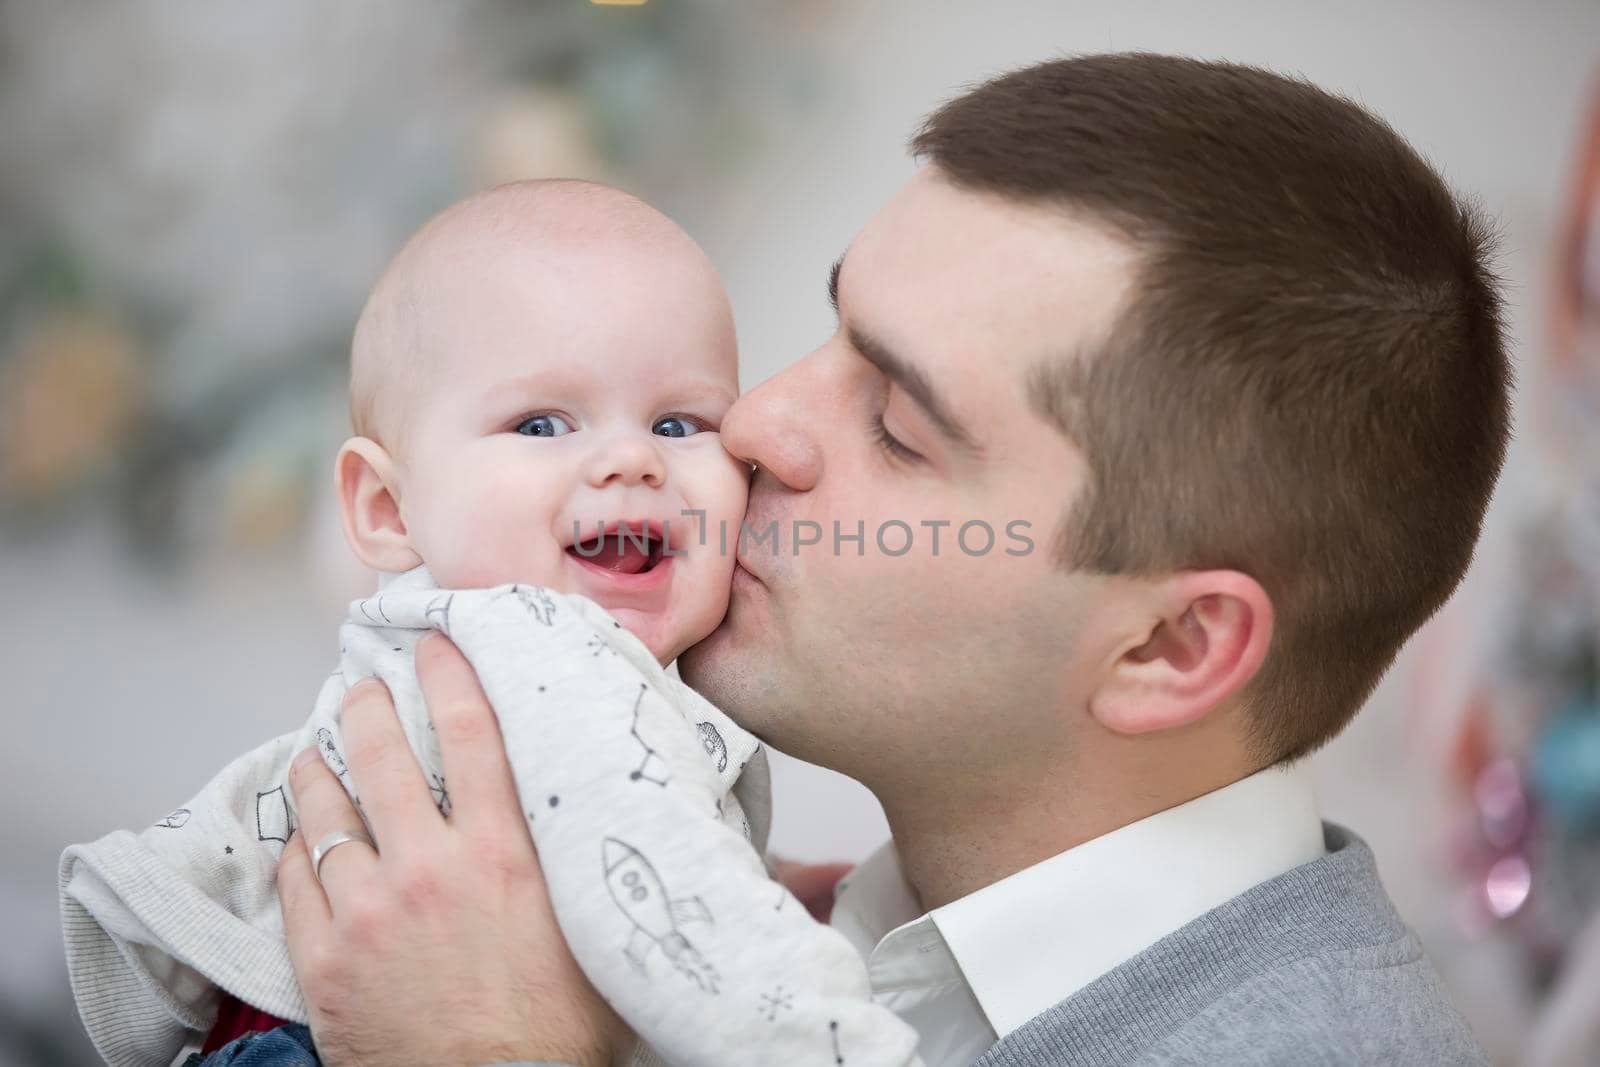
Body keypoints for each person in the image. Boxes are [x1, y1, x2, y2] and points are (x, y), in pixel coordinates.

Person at [281, 52, 1508, 1066]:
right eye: (832, 330)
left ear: (1165, 646)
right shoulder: (794, 934)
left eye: (898, 428)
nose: (752, 424)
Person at [60, 181, 921, 1067]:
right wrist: (833, 1034)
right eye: (541, 423)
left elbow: (584, 847)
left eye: (678, 421)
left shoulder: (477, 652)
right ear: (390, 509)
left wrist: (754, 879)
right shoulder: (548, 646)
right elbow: (657, 895)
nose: (631, 458)